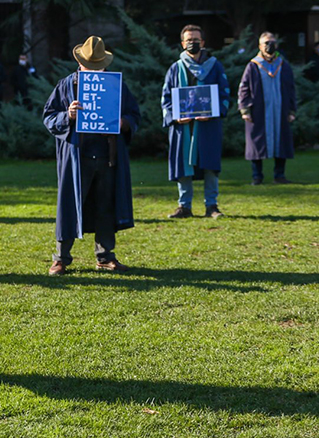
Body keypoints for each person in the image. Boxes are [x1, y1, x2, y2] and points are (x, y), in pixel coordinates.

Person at [44, 36, 140, 275]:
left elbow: (134, 115)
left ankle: (105, 256)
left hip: (108, 157)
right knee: (69, 206)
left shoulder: (117, 86)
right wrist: (68, 115)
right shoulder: (66, 85)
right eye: (92, 66)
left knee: (106, 206)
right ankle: (61, 258)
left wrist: (124, 123)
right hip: (77, 158)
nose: (97, 71)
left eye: (100, 66)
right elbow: (49, 117)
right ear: (81, 63)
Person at [162, 24, 230, 219]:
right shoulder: (175, 68)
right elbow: (166, 98)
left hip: (207, 124)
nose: (193, 43)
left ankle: (212, 206)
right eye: (189, 40)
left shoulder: (215, 66)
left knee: (209, 165)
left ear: (203, 42)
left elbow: (225, 93)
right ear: (183, 43)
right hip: (183, 127)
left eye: (196, 40)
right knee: (183, 165)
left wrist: (214, 113)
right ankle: (184, 206)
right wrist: (175, 116)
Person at [239, 31, 297, 185]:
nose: (269, 45)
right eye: (266, 42)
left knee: (281, 142)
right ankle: (257, 176)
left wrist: (292, 110)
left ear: (276, 45)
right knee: (256, 142)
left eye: (272, 42)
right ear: (260, 46)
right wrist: (245, 110)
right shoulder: (253, 65)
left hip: (280, 111)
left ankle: (279, 175)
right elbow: (244, 89)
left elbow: (291, 88)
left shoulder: (283, 65)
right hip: (258, 111)